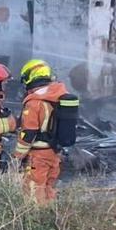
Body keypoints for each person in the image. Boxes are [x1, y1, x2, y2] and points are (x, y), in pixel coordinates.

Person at [15, 59, 69, 203]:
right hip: (54, 152)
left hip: (38, 155)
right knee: (48, 188)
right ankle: (49, 214)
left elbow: (28, 134)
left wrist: (17, 157)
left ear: (31, 77)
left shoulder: (35, 102)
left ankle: (36, 216)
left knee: (34, 192)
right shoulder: (58, 96)